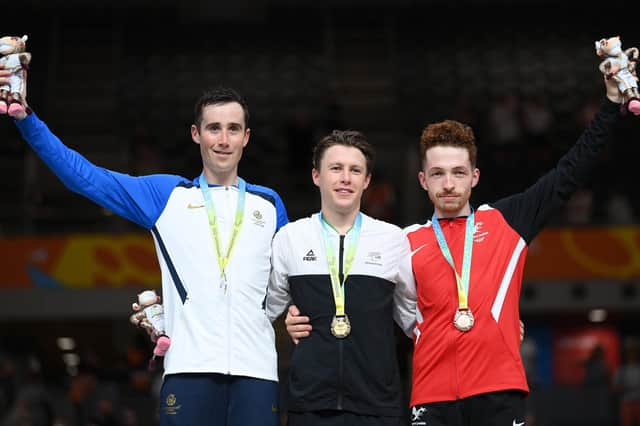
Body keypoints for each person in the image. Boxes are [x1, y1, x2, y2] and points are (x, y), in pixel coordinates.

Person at [286, 68, 624, 425]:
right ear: (423, 180)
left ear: (474, 176)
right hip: (432, 397)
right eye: (438, 173)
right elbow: (358, 295)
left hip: (498, 390)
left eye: (458, 172)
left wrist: (611, 104)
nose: (448, 184)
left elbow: (571, 171)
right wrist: (298, 314)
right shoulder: (403, 241)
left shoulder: (507, 222)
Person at [1, 64, 288, 426]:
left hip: (257, 373)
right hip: (189, 371)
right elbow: (85, 177)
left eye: (233, 129)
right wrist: (27, 119)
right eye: (214, 128)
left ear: (247, 136)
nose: (223, 139)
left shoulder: (269, 203)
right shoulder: (166, 196)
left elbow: (288, 279)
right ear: (196, 134)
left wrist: (288, 313)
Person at [265, 130, 417, 426]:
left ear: (367, 181)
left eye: (355, 170)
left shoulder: (393, 239)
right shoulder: (290, 238)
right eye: (335, 168)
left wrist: (493, 328)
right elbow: (264, 311)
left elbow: (415, 319)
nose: (345, 178)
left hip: (378, 405)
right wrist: (286, 319)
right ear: (316, 176)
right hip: (309, 404)